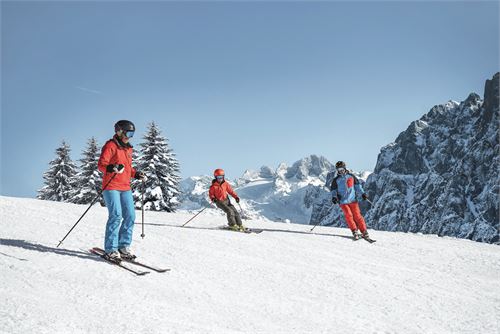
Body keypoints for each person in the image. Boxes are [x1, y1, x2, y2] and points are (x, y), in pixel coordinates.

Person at [97, 120, 146, 261]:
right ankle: (111, 249)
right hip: (111, 186)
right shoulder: (110, 145)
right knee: (116, 216)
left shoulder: (128, 148)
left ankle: (123, 246)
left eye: (132, 134)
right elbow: (101, 165)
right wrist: (112, 168)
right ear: (119, 131)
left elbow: (127, 168)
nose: (129, 136)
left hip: (125, 187)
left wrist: (136, 174)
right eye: (128, 133)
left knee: (130, 216)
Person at [330, 161, 370, 240]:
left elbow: (358, 186)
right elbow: (334, 190)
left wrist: (363, 193)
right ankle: (354, 230)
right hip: (343, 201)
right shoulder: (336, 180)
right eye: (338, 169)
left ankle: (364, 231)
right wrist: (334, 197)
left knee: (357, 216)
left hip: (353, 200)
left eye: (341, 168)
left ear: (344, 168)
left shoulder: (351, 177)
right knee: (349, 215)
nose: (340, 170)